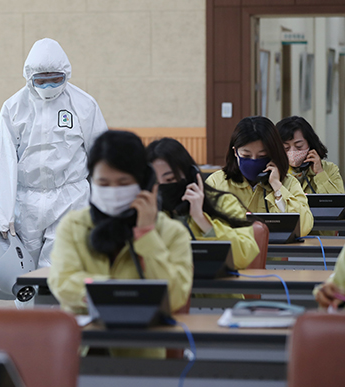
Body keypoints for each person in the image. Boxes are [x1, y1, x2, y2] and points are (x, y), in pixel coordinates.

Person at [48, 131, 193, 354]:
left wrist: (146, 235)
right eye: (103, 183)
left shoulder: (171, 232)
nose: (113, 192)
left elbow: (174, 296)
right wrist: (120, 292)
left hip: (143, 355)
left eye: (123, 183)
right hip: (81, 354)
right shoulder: (74, 225)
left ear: (146, 184)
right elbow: (62, 282)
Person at [0, 38, 108, 272]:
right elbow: (4, 160)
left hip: (70, 198)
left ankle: (57, 309)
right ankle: (32, 310)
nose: (49, 86)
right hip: (27, 200)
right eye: (41, 80)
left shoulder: (84, 105)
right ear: (29, 77)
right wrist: (2, 213)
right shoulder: (14, 108)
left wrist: (105, 208)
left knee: (61, 268)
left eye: (56, 79)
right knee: (24, 269)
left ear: (66, 74)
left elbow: (102, 158)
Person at [147, 137, 259, 269]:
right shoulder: (149, 213)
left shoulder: (223, 202)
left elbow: (244, 256)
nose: (162, 187)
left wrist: (201, 220)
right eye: (155, 182)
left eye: (170, 178)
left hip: (216, 288)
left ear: (191, 175)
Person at [206, 116, 313, 236]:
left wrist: (277, 187)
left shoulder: (288, 183)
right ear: (235, 152)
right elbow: (205, 227)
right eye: (246, 155)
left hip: (272, 253)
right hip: (234, 253)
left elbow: (304, 227)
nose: (254, 161)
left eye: (262, 156)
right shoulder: (217, 182)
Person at [277, 116, 344, 195]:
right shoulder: (273, 171)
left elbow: (337, 203)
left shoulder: (330, 169)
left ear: (310, 143)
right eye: (286, 148)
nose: (293, 152)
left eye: (299, 146)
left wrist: (320, 173)